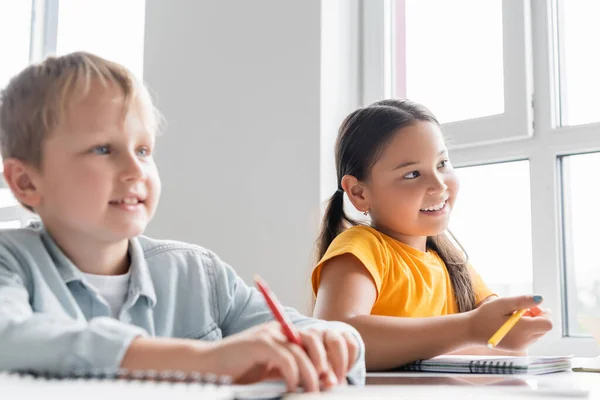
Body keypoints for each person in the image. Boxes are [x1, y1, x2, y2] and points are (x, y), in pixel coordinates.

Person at [0, 52, 364, 392]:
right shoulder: (9, 260)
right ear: (26, 182)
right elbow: (10, 338)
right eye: (103, 149)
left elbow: (314, 336)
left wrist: (331, 341)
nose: (134, 170)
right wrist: (204, 360)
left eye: (143, 150)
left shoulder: (199, 274)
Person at [311, 99, 552, 371]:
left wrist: (511, 329)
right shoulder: (360, 249)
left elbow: (504, 346)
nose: (438, 185)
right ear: (359, 192)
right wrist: (472, 328)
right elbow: (335, 337)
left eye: (442, 163)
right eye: (412, 173)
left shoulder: (453, 264)